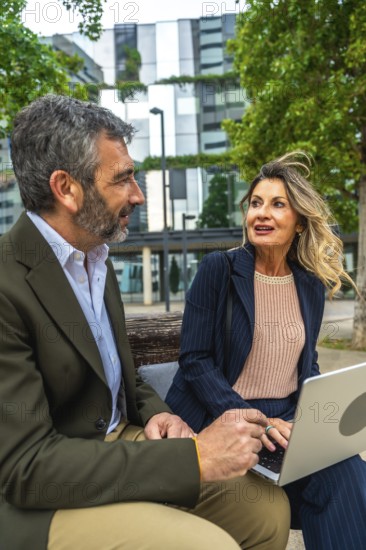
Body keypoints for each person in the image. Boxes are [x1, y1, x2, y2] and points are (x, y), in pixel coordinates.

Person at [0, 95, 291, 550]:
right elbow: (26, 467)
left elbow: (120, 377)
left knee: (267, 509)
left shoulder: (96, 257)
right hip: (41, 496)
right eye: (123, 178)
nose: (137, 194)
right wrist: (193, 460)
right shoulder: (6, 282)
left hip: (121, 442)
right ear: (66, 188)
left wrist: (161, 415)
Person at [166, 152, 366, 550]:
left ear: (299, 222)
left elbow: (305, 364)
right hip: (220, 419)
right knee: (337, 485)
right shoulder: (218, 270)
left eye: (278, 205)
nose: (262, 213)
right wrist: (258, 420)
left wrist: (316, 420)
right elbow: (195, 360)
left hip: (284, 425)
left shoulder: (308, 284)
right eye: (256, 203)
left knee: (347, 470)